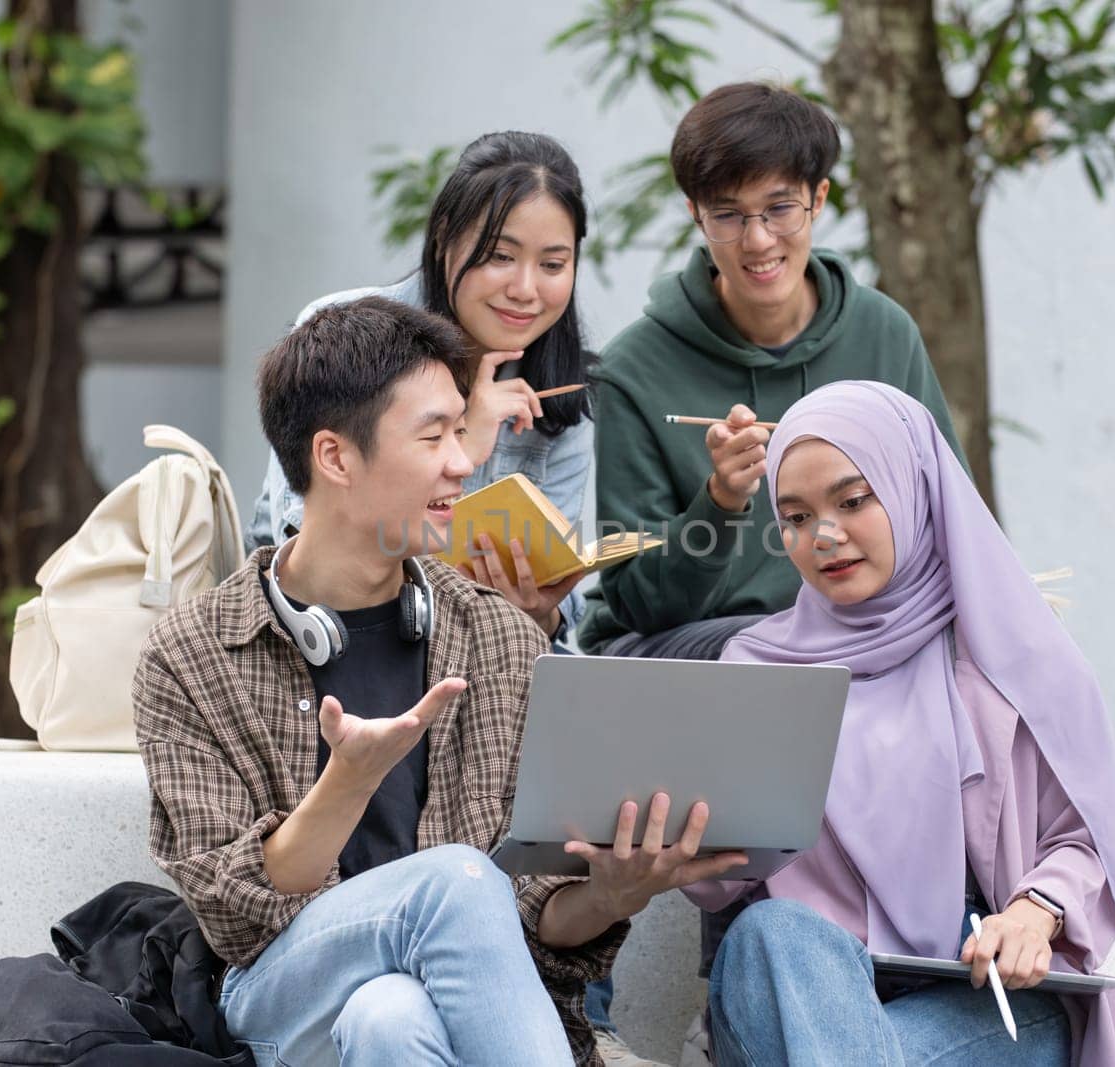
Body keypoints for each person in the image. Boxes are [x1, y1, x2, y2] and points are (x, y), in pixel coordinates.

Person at [134, 296, 738, 1066]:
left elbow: (528, 913)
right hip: (277, 1001)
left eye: (461, 430)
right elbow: (238, 919)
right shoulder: (187, 656)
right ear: (335, 457)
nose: (463, 460)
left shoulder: (498, 637)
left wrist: (616, 892)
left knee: (393, 1017)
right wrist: (347, 781)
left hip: (421, 1011)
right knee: (455, 880)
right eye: (434, 436)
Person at [686, 381, 1115, 1066]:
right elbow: (718, 877)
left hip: (990, 997)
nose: (826, 535)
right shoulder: (761, 666)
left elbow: (1084, 838)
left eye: (852, 500)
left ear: (913, 486)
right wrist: (676, 833)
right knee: (771, 931)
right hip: (807, 983)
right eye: (797, 516)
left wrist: (1034, 912)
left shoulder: (1006, 649)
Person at [577, 81, 969, 662]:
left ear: (819, 198)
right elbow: (640, 604)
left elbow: (950, 526)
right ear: (695, 215)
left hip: (857, 635)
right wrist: (722, 498)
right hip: (699, 646)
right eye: (728, 216)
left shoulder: (884, 333)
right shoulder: (633, 369)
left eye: (780, 208)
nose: (757, 240)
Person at [249, 130, 595, 645]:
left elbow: (559, 612)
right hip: (323, 636)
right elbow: (303, 539)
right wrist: (464, 442)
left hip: (487, 653)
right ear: (444, 239)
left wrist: (536, 611)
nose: (525, 290)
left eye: (552, 265)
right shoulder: (345, 332)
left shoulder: (561, 395)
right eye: (500, 256)